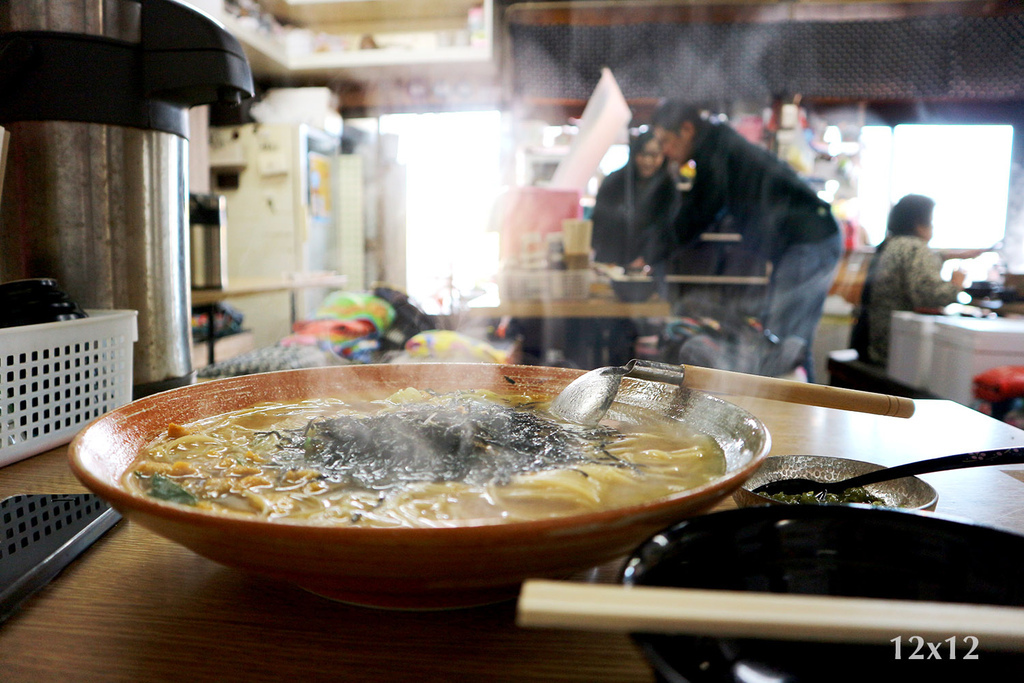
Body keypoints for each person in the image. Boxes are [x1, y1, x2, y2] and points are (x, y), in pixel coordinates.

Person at [650, 100, 842, 381]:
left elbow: (700, 210)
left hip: (809, 241)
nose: (665, 151)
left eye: (666, 141)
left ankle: (799, 419)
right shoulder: (717, 144)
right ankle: (797, 415)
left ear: (687, 129)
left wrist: (655, 251)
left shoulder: (715, 149)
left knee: (787, 345)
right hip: (807, 241)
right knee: (786, 342)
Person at [853, 194, 967, 366]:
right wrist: (956, 285)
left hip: (873, 340)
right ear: (919, 223)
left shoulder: (893, 243)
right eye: (931, 221)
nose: (933, 227)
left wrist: (947, 256)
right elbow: (928, 296)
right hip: (894, 348)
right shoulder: (915, 247)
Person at [590, 130, 676, 269]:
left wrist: (648, 257)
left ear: (663, 156)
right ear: (634, 154)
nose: (648, 161)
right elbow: (599, 220)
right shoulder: (614, 181)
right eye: (643, 154)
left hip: (650, 266)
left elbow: (667, 227)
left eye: (654, 155)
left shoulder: (668, 188)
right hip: (611, 263)